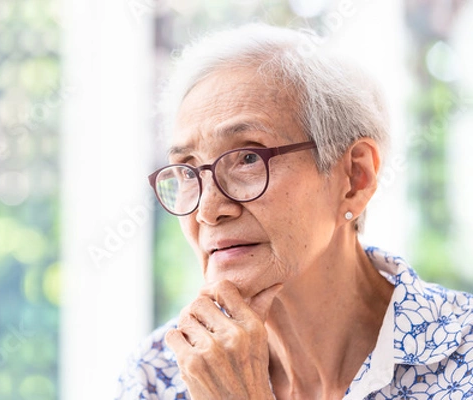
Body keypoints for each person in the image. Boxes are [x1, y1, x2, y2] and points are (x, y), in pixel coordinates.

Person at [116, 23, 473, 399]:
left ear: (355, 178)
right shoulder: (158, 373)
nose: (208, 210)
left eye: (248, 158)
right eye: (188, 169)